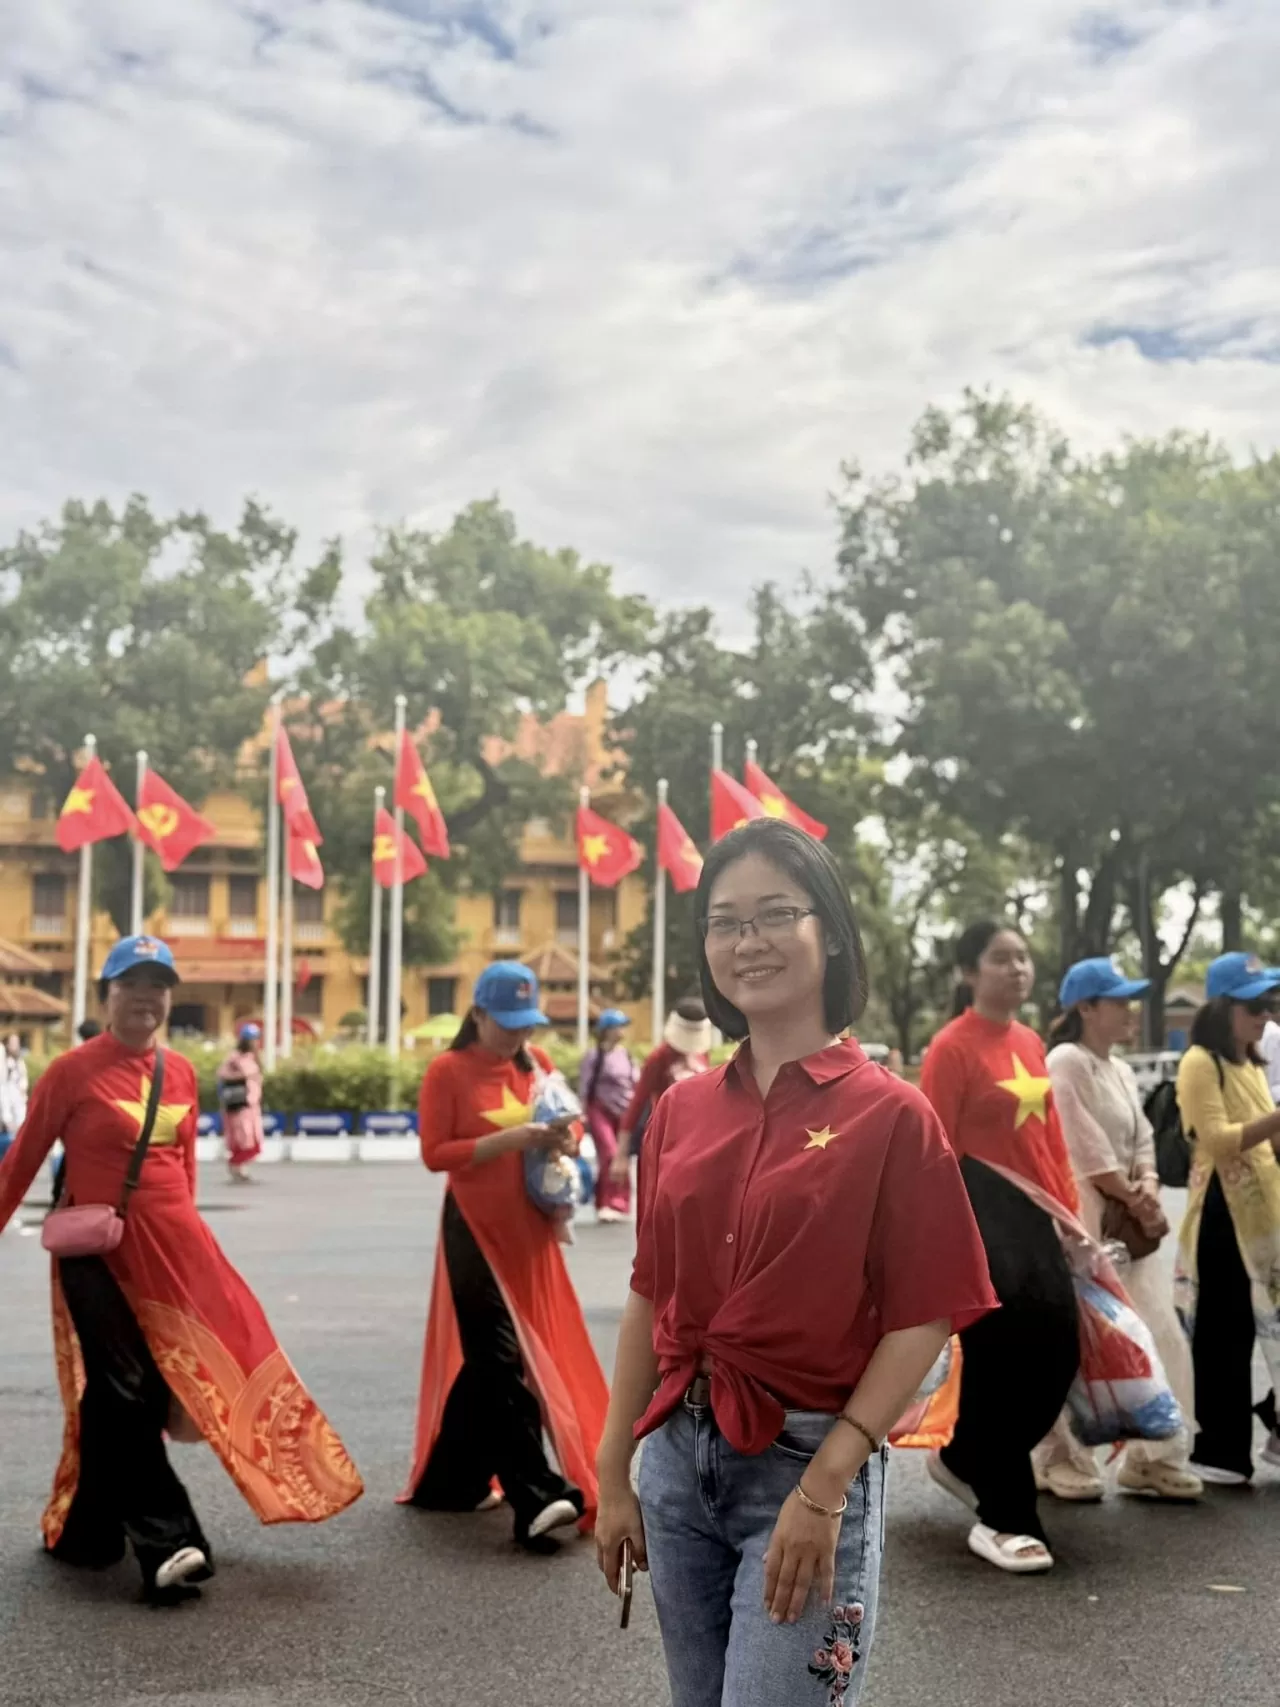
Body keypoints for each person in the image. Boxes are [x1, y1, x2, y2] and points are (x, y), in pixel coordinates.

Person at [595, 821, 995, 1706]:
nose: (750, 941)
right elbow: (648, 1298)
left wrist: (825, 1489)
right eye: (726, 921)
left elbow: (926, 1312)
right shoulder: (679, 1111)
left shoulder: (892, 1115)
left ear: (830, 932)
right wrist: (613, 1471)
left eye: (776, 914)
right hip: (673, 1460)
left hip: (805, 1458)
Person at [0, 935, 362, 1603]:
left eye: (158, 984)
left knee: (119, 1394)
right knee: (129, 1385)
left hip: (173, 1254)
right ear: (106, 993)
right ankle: (170, 1540)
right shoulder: (72, 1071)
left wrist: (192, 1259)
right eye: (131, 983)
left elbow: (186, 1176)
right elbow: (21, 1161)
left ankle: (84, 1530)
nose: (146, 996)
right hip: (97, 1253)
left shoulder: (181, 1073)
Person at [400, 961, 611, 1552]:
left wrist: (566, 1140)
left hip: (529, 1229)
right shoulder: (447, 1070)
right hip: (472, 1231)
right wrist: (514, 1139)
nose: (517, 1035)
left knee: (491, 1362)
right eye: (506, 1024)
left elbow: (571, 1131)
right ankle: (537, 1494)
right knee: (499, 1358)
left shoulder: (538, 1065)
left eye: (525, 1023)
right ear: (478, 1015)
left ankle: (449, 1481)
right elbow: (436, 1154)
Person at [918, 920, 1080, 1573]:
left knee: (1060, 1350)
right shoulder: (951, 1047)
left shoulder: (1030, 1040)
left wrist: (1070, 1215)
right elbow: (932, 1151)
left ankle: (962, 1457)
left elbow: (1049, 1140)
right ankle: (1003, 1515)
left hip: (1038, 1221)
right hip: (981, 1223)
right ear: (968, 972)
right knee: (1000, 1359)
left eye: (1022, 957)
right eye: (1000, 958)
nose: (1017, 968)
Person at [1037, 959, 1201, 1501]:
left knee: (1159, 1333)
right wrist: (1136, 1196)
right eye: (1119, 1001)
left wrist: (1149, 1186)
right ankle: (1058, 1457)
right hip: (1082, 1217)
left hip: (1129, 1223)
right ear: (1086, 1008)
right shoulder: (1066, 1061)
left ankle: (1154, 1455)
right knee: (1079, 1342)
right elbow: (1083, 1148)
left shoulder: (1123, 1069)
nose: (1130, 1011)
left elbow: (1144, 1140)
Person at [1175, 951, 1280, 1485]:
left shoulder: (1249, 1063)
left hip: (1264, 1218)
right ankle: (1219, 1449)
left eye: (1268, 1004)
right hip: (1222, 1214)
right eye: (1254, 1006)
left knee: (1260, 1331)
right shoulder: (1200, 1062)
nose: (1265, 1016)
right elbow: (1216, 1140)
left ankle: (1259, 1429)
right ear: (1223, 1009)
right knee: (1223, 1336)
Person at [609, 998, 712, 1189]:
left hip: (697, 1138)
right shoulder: (659, 1058)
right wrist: (620, 1155)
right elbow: (637, 1104)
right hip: (664, 1140)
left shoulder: (703, 1053)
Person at [579, 1008, 638, 1222]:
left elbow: (636, 1084)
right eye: (618, 1026)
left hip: (625, 1111)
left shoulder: (626, 1055)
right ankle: (607, 1202)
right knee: (609, 1154)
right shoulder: (595, 1056)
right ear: (607, 1030)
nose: (622, 1030)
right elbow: (585, 1086)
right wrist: (582, 1114)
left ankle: (621, 1203)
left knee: (622, 1157)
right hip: (600, 1110)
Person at [218, 1022, 265, 1184]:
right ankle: (236, 1166)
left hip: (253, 1104)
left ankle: (240, 1165)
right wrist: (243, 1076)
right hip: (239, 1104)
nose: (255, 1042)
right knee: (241, 1137)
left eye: (257, 1038)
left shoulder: (254, 1058)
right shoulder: (234, 1057)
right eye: (252, 1039)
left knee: (254, 1140)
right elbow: (222, 1075)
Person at [0, 1031, 29, 1163]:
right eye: (12, 1043)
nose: (15, 1046)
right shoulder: (2, 1059)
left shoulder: (19, 1061)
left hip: (17, 1101)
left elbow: (23, 1081)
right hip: (5, 1102)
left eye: (16, 1043)